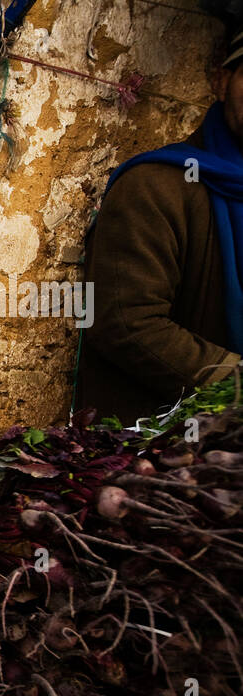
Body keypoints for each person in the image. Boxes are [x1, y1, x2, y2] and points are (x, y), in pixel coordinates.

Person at [79, 27, 243, 425]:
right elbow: (126, 323)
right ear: (221, 83)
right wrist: (235, 384)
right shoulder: (156, 185)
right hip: (166, 449)